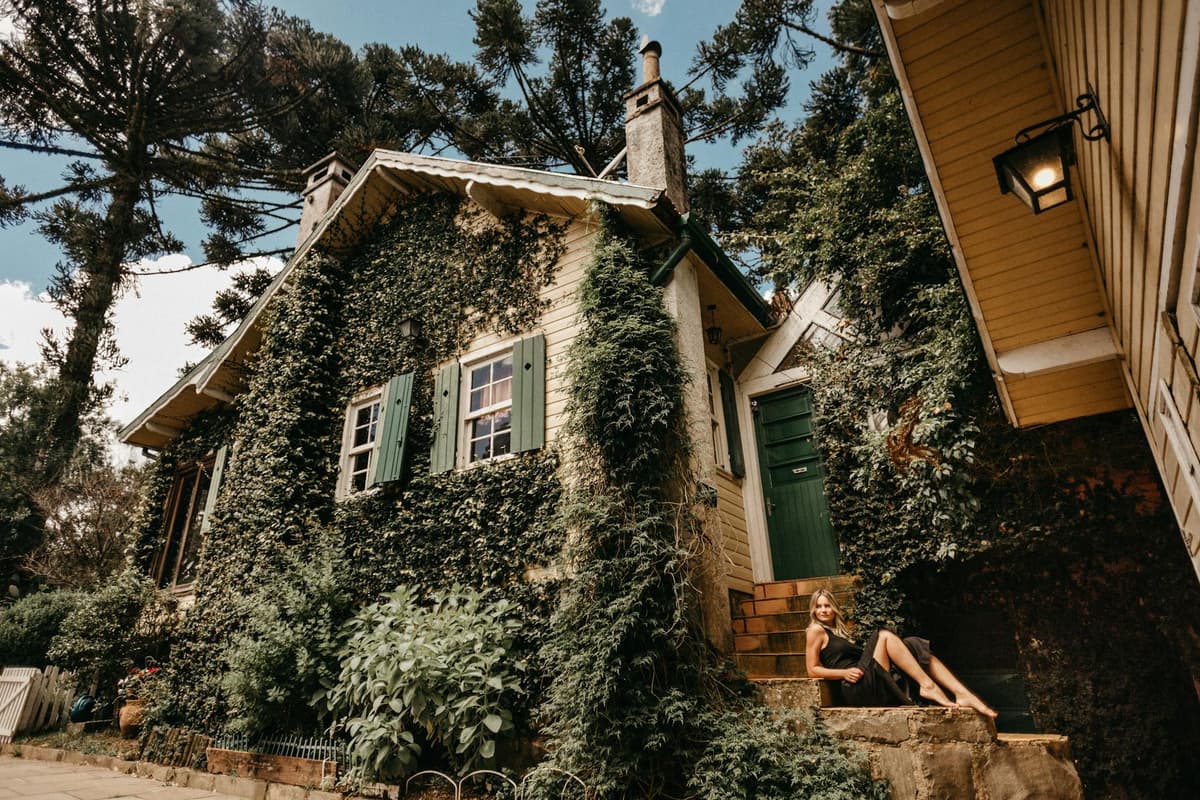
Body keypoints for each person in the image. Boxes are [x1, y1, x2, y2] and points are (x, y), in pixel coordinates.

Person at [804, 588, 997, 717]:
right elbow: (812, 670)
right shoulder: (815, 631)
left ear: (834, 608)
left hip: (869, 681)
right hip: (857, 689)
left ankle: (961, 693)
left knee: (912, 644)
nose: (823, 610)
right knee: (884, 634)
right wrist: (843, 673)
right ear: (813, 609)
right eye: (819, 606)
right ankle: (928, 686)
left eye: (827, 605)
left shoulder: (839, 633)